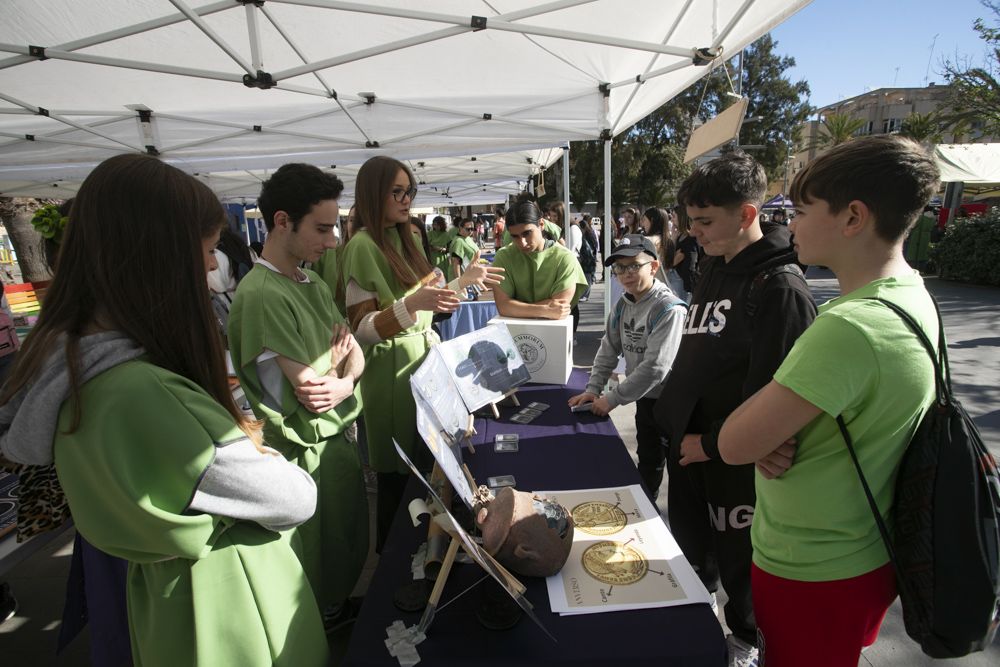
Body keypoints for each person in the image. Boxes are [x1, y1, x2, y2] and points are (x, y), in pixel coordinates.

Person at [0, 154, 327, 666]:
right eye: (207, 250)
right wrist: (265, 453)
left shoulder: (75, 368)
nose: (208, 267)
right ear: (156, 256)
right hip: (222, 607)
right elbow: (292, 498)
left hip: (167, 600)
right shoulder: (139, 391)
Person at [716, 136, 941, 667]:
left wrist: (762, 432)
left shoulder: (846, 327)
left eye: (800, 210)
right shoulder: (911, 296)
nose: (789, 224)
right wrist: (774, 432)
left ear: (853, 217)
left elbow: (733, 443)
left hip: (811, 565)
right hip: (865, 552)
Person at [654, 151, 817, 667]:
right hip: (688, 459)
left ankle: (746, 642)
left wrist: (711, 445)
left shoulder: (780, 288)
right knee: (691, 559)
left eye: (704, 222)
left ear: (748, 214)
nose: (693, 234)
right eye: (689, 222)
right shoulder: (713, 267)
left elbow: (774, 401)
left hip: (733, 468)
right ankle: (696, 627)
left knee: (740, 571)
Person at [227, 163, 368, 622]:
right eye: (323, 229)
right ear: (282, 221)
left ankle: (337, 609)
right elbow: (311, 393)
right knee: (317, 556)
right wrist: (341, 362)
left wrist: (345, 376)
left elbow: (354, 355)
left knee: (344, 545)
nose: (332, 242)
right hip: (303, 454)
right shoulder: (261, 294)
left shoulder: (313, 282)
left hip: (336, 444)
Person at [340, 156, 504, 549]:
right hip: (391, 374)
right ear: (372, 193)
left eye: (409, 191)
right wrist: (414, 305)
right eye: (396, 191)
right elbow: (362, 328)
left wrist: (463, 281)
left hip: (420, 365)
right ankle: (395, 560)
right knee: (400, 477)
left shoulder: (404, 238)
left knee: (426, 469)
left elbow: (429, 301)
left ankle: (420, 552)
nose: (405, 199)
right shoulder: (361, 246)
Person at [568, 235, 686, 501]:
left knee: (680, 472)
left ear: (653, 267)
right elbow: (608, 348)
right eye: (619, 268)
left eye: (633, 265)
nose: (625, 274)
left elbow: (656, 367)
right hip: (645, 401)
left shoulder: (668, 309)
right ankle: (647, 507)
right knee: (648, 463)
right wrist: (593, 388)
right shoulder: (623, 304)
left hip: (673, 404)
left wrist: (612, 398)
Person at [491, 195, 587, 321]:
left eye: (527, 233)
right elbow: (503, 306)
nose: (522, 243)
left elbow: (559, 307)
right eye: (515, 236)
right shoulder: (503, 256)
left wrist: (515, 307)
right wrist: (544, 309)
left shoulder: (565, 258)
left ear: (541, 224)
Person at [639, 207, 686, 298]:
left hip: (649, 288)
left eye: (644, 220)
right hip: (665, 287)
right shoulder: (669, 241)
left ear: (652, 220)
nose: (643, 224)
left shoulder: (647, 241)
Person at [448, 217, 480, 281]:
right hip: (461, 276)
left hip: (468, 274)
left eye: (472, 229)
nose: (470, 231)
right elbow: (456, 263)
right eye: (468, 229)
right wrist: (459, 281)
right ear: (460, 228)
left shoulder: (467, 237)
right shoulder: (458, 241)